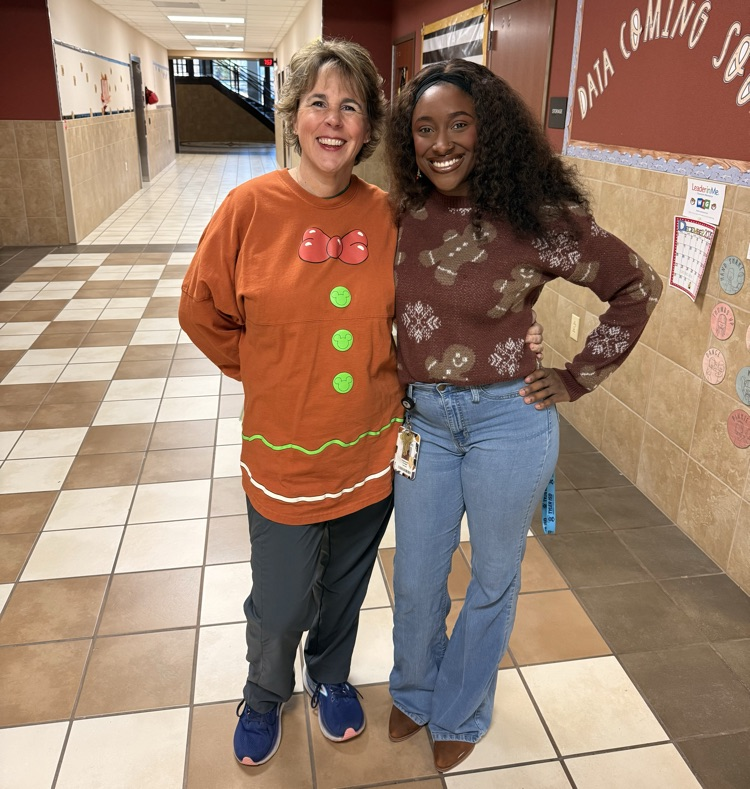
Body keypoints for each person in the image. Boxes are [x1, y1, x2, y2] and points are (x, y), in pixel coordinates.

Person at [179, 39, 547, 768]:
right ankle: (262, 690)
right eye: (318, 102)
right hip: (284, 447)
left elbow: (434, 302)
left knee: (346, 587)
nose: (333, 120)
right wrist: (269, 371)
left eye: (350, 106)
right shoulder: (246, 207)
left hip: (374, 443)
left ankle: (330, 676)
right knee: (283, 597)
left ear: (370, 125)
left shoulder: (388, 213)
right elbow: (200, 310)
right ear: (292, 114)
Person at [385, 59, 662, 773]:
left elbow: (636, 284)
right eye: (424, 128)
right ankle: (415, 691)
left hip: (508, 419)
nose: (441, 143)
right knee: (416, 573)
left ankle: (461, 707)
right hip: (425, 423)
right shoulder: (399, 213)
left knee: (493, 574)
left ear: (491, 131)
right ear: (407, 138)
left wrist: (574, 377)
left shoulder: (538, 220)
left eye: (458, 125)